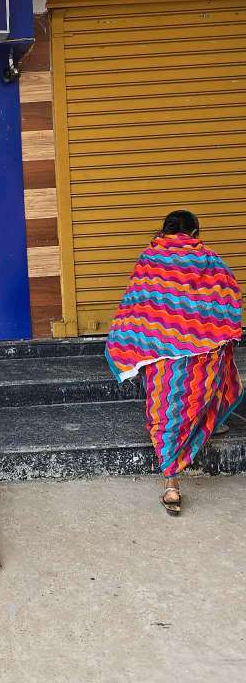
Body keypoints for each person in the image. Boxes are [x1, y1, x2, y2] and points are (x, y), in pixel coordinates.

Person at [106, 210, 243, 515]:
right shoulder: (206, 257)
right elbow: (229, 294)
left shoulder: (150, 258)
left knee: (166, 412)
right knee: (209, 379)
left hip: (160, 353)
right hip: (200, 353)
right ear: (194, 232)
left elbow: (136, 304)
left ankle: (171, 485)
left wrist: (142, 341)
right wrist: (210, 330)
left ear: (164, 230)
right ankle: (207, 423)